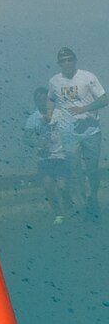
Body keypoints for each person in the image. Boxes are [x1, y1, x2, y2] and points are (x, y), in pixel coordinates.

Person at [49, 47, 104, 221]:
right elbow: (51, 98)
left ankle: (93, 196)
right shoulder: (54, 81)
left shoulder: (87, 77)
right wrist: (49, 116)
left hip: (91, 130)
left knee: (92, 169)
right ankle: (82, 203)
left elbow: (104, 98)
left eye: (69, 59)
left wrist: (85, 109)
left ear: (75, 60)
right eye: (63, 60)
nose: (67, 63)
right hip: (68, 132)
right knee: (74, 169)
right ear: (59, 63)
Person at [25, 87, 76, 224]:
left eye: (45, 99)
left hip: (61, 156)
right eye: (39, 99)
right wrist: (37, 143)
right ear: (35, 101)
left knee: (62, 186)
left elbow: (71, 132)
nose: (42, 102)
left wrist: (70, 149)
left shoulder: (59, 114)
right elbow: (26, 139)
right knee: (48, 187)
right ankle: (58, 214)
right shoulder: (33, 119)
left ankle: (68, 204)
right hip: (44, 158)